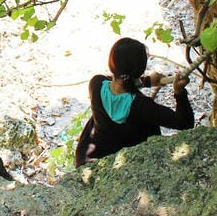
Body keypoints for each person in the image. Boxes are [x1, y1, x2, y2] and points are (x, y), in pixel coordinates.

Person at [73, 37, 193, 167]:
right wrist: (179, 92)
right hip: (126, 162)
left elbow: (119, 83)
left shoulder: (96, 84)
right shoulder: (142, 106)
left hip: (89, 156)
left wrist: (146, 81)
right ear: (140, 70)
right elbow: (184, 123)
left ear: (111, 63)